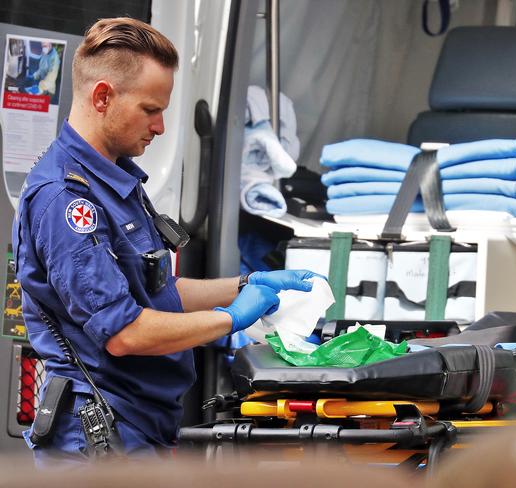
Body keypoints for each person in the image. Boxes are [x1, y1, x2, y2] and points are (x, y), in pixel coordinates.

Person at [12, 17, 317, 465]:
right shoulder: (66, 200)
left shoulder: (115, 182)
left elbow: (156, 290)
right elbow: (125, 332)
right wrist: (230, 318)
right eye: (150, 109)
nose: (159, 126)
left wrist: (246, 282)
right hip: (99, 438)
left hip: (140, 422)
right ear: (102, 97)